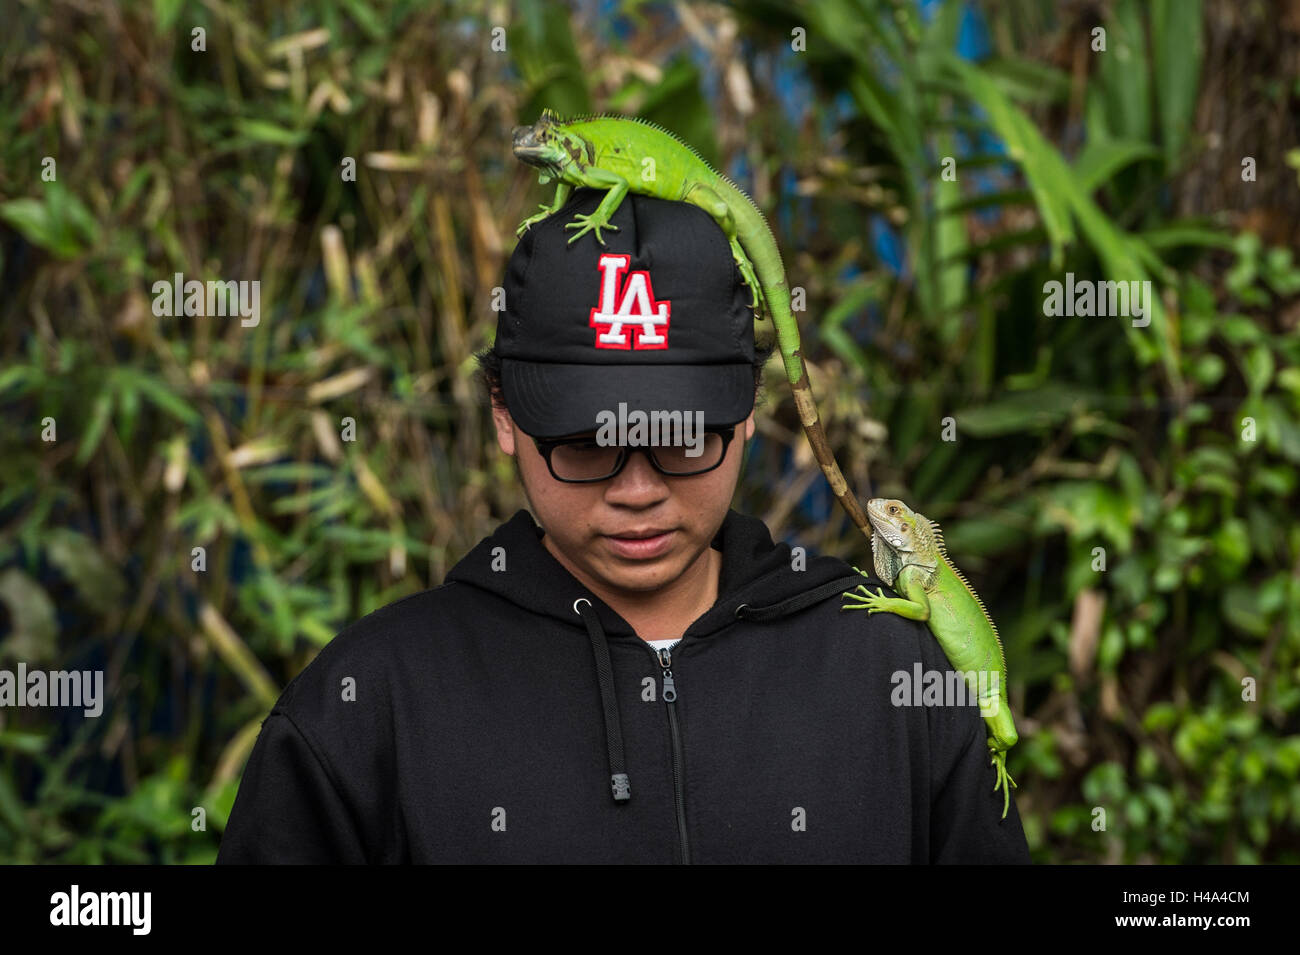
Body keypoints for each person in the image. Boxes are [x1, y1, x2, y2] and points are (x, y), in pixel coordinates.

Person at [216, 187, 1031, 863]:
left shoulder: (897, 672)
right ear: (504, 415)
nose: (637, 489)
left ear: (747, 411)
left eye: (681, 438)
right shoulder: (365, 707)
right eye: (585, 441)